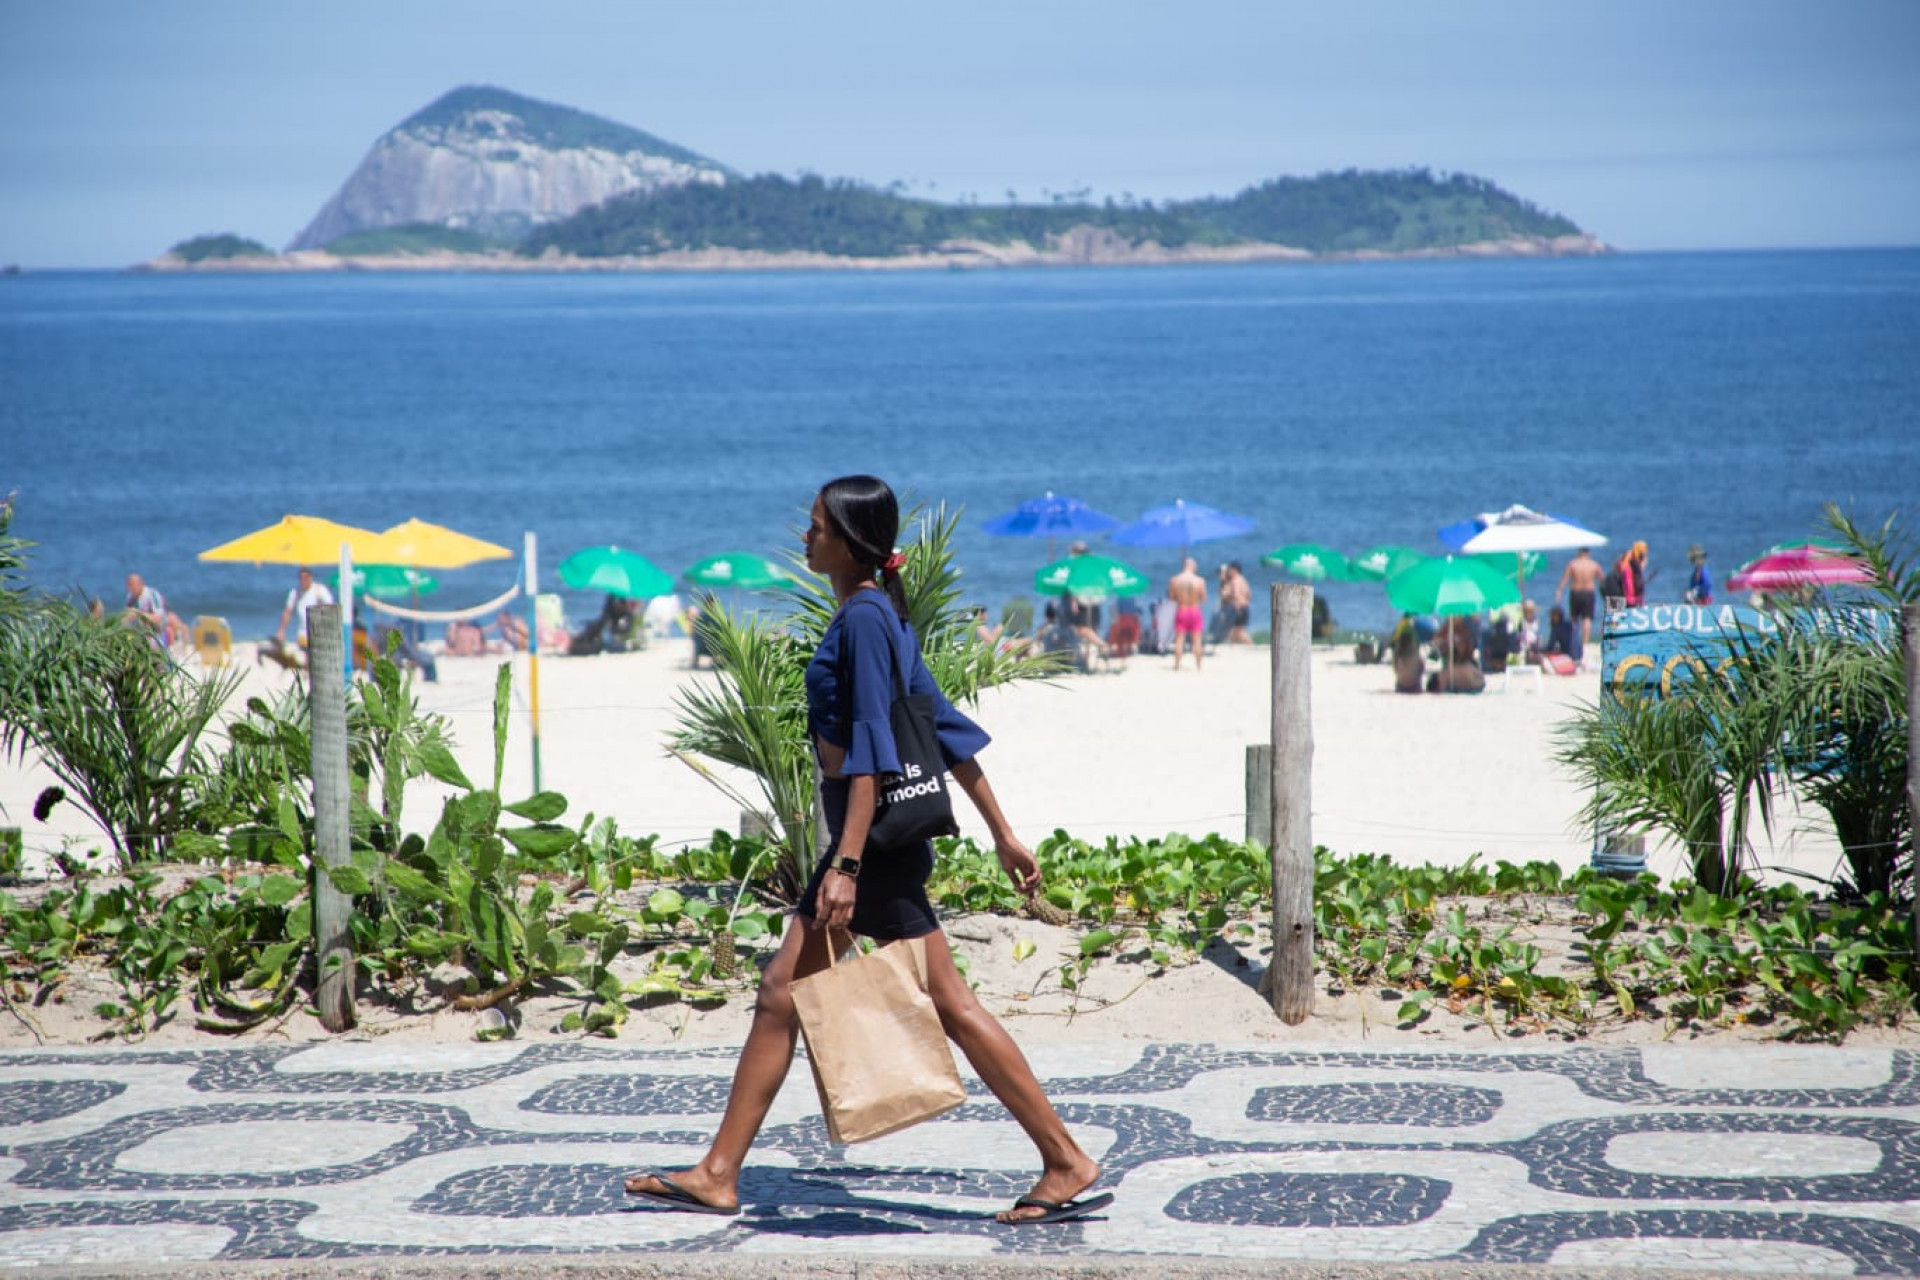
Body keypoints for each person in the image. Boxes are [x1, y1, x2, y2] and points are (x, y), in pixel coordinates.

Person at [622, 475, 1107, 1226]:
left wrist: (845, 864)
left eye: (816, 527)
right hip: (870, 838)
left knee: (898, 998)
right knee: (796, 993)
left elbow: (878, 750)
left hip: (868, 843)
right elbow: (941, 729)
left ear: (850, 542)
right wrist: (1001, 832)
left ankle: (1065, 1158)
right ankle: (719, 1170)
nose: (805, 537)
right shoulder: (874, 614)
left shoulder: (866, 621)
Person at [1556, 548, 1603, 661]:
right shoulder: (1594, 565)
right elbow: (1602, 580)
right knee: (1587, 619)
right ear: (1588, 553)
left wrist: (1559, 591)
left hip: (1576, 592)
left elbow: (1565, 579)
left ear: (1578, 553)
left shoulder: (1573, 564)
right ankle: (1585, 643)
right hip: (1588, 592)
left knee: (1574, 619)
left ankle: (1574, 640)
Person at [274, 567, 334, 649]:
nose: (303, 580)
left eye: (306, 578)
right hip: (303, 633)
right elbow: (288, 612)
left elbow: (331, 609)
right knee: (307, 656)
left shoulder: (319, 590)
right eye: (301, 578)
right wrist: (281, 630)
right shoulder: (295, 593)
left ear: (311, 578)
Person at [1168, 556, 1206, 671]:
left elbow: (1172, 598)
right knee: (1197, 639)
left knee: (1179, 639)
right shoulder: (1200, 580)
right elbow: (1203, 598)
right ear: (1193, 567)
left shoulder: (1175, 580)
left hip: (1182, 610)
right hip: (1195, 611)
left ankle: (1177, 665)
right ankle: (1198, 666)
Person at [123, 573, 169, 648]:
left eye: (133, 585)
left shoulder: (152, 595)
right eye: (129, 586)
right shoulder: (130, 599)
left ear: (141, 584)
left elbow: (158, 619)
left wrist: (138, 614)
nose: (131, 588)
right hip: (141, 634)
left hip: (157, 634)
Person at [1220, 562, 1253, 644]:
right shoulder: (1243, 579)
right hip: (1245, 606)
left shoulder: (1235, 580)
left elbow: (1236, 595)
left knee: (1238, 631)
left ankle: (1251, 645)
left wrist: (1227, 596)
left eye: (1230, 569)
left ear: (1234, 570)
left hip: (1239, 608)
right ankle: (1233, 646)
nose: (1228, 571)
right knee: (1235, 631)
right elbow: (1249, 594)